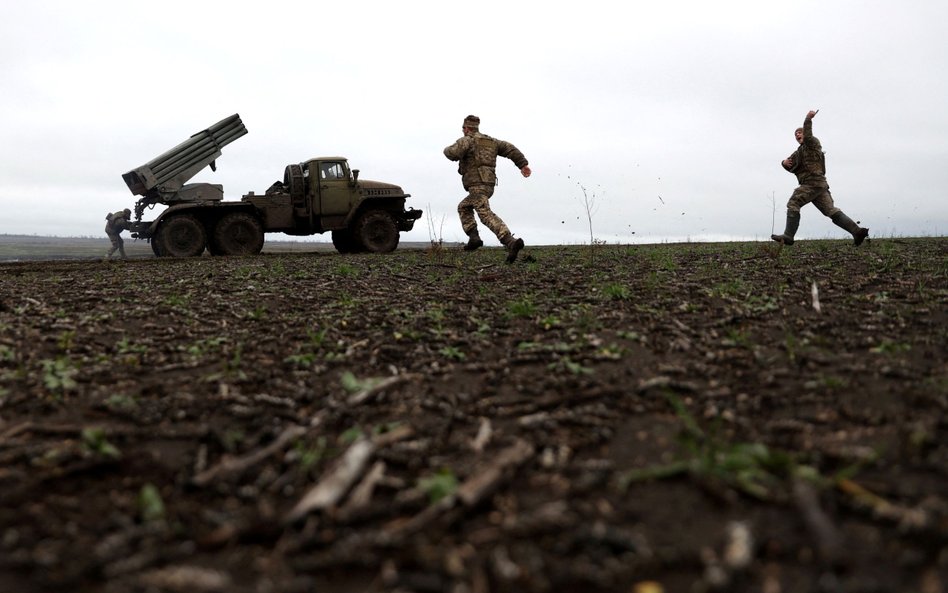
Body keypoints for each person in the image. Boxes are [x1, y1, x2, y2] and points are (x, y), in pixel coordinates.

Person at [772, 110, 868, 247]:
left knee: (794, 203)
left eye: (800, 132)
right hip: (819, 185)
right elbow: (790, 164)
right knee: (831, 210)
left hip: (812, 182)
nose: (797, 135)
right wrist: (783, 163)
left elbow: (808, 134)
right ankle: (857, 232)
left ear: (805, 133)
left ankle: (788, 235)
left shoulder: (812, 143)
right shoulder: (800, 151)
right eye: (795, 134)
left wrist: (808, 119)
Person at [444, 115, 532, 263]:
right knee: (464, 207)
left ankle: (510, 241)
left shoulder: (467, 140)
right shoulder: (492, 142)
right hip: (488, 185)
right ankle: (474, 238)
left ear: (466, 128)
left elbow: (451, 153)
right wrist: (522, 164)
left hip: (477, 185)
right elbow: (511, 150)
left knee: (485, 214)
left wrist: (447, 149)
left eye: (463, 129)